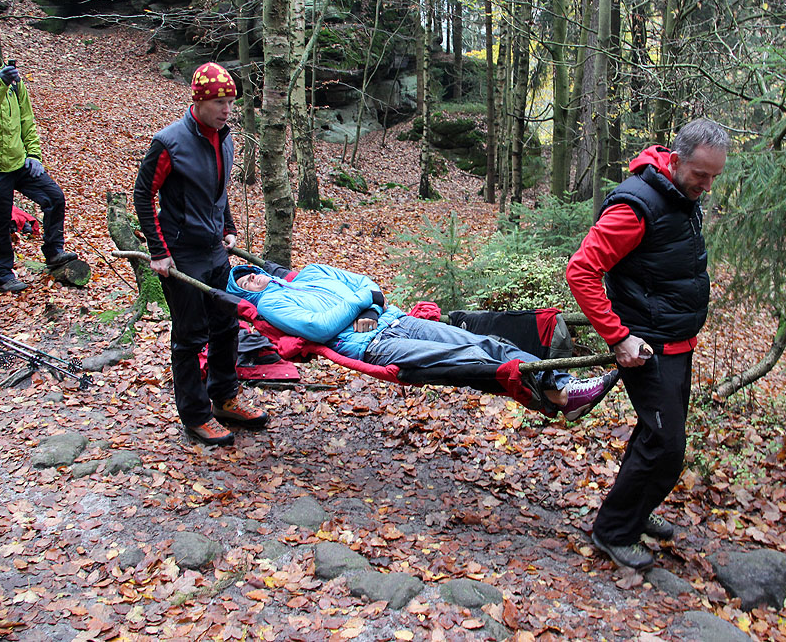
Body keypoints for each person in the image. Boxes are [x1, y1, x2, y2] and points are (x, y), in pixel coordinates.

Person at [566, 118, 729, 570]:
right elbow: (581, 271)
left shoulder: (681, 195)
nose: (707, 185)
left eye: (715, 177)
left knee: (654, 437)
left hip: (679, 342)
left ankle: (634, 514)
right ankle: (612, 532)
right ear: (676, 161)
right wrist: (618, 337)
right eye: (701, 175)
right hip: (648, 349)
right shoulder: (636, 206)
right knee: (667, 447)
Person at [226, 263, 620, 420]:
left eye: (251, 273)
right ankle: (560, 396)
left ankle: (563, 388)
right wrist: (364, 303)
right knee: (468, 356)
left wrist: (366, 304)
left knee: (485, 341)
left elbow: (364, 284)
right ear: (247, 295)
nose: (252, 280)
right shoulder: (273, 303)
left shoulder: (310, 273)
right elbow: (319, 329)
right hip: (373, 346)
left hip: (396, 319)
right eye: (243, 283)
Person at [134, 62, 267, 447]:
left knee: (227, 326)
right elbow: (143, 195)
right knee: (190, 337)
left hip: (214, 250)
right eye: (220, 102)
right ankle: (195, 415)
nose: (228, 109)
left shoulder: (224, 136)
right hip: (182, 252)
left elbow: (218, 189)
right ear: (200, 100)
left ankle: (224, 398)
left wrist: (227, 227)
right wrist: (159, 252)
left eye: (231, 102)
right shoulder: (169, 143)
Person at [0, 23, 79, 293]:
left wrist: (33, 153)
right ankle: (3, 275)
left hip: (19, 161)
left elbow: (26, 119)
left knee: (54, 197)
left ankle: (54, 251)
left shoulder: (12, 80)